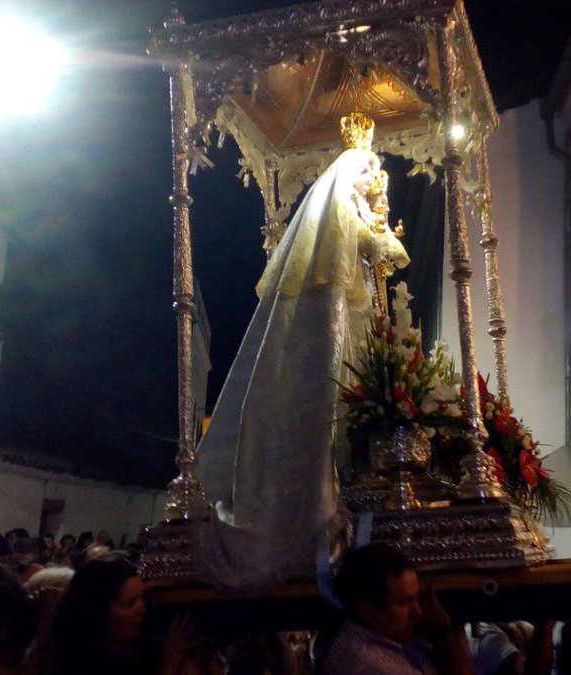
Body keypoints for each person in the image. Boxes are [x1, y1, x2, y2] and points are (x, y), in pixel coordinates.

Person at [195, 112, 398, 591]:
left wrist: (379, 229)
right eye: (368, 171)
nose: (374, 180)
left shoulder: (352, 208)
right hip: (325, 317)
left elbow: (378, 252)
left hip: (349, 313)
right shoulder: (339, 209)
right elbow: (370, 245)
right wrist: (378, 232)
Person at [323, 544, 473, 675]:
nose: (418, 613)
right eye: (403, 602)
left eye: (416, 598)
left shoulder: (394, 636)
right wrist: (443, 635)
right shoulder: (369, 666)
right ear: (366, 607)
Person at [46, 554, 203, 675]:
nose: (142, 609)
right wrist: (167, 667)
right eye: (129, 604)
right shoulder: (80, 662)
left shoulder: (145, 646)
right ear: (96, 611)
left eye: (142, 598)